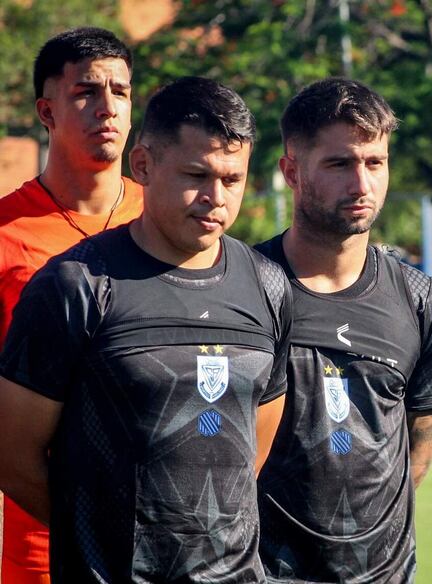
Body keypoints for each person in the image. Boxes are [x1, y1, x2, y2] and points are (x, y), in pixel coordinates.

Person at [0, 76, 291, 583]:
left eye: (233, 179)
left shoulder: (268, 285)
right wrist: (95, 536)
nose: (215, 197)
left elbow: (255, 443)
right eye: (196, 174)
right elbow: (11, 451)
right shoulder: (75, 285)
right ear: (143, 165)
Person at [256, 77, 432, 583]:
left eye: (375, 163)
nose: (362, 184)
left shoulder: (420, 300)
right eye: (340, 164)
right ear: (292, 171)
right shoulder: (244, 287)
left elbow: (419, 446)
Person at [0, 27, 143, 583]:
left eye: (121, 92)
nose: (107, 107)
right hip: (41, 549)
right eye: (86, 91)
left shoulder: (167, 223)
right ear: (46, 110)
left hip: (161, 546)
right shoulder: (8, 232)